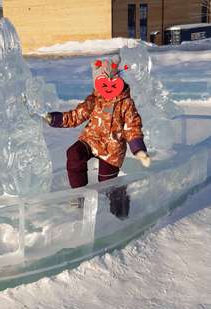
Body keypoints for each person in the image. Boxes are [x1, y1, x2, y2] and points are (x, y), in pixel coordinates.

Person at [43, 55, 150, 219]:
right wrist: (54, 119)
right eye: (103, 84)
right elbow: (76, 116)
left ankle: (120, 211)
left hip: (112, 149)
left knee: (106, 183)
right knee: (74, 153)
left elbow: (132, 127)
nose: (107, 88)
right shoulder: (93, 100)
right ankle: (79, 194)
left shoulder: (126, 104)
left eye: (112, 83)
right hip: (91, 140)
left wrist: (139, 149)